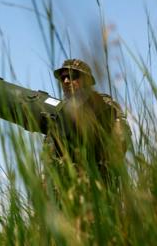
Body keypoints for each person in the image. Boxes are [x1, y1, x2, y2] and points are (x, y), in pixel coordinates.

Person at [43, 59, 131, 188]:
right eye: (63, 78)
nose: (66, 81)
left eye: (72, 76)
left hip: (100, 186)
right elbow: (48, 152)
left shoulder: (103, 104)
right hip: (66, 191)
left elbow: (122, 136)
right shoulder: (59, 114)